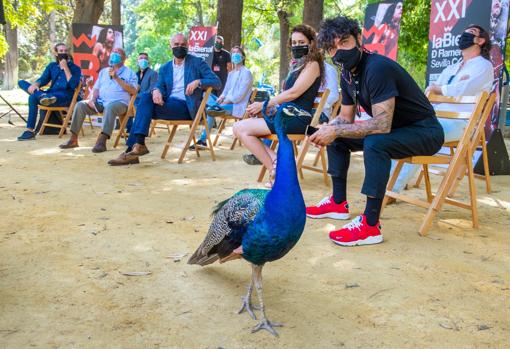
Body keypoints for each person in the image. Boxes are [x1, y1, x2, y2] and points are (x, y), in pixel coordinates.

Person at [305, 16, 444, 246]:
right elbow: (346, 118)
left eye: (345, 42)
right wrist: (328, 128)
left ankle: (370, 225)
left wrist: (337, 130)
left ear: (359, 39)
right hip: (398, 131)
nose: (339, 51)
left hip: (425, 131)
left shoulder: (377, 68)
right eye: (332, 47)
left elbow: (381, 125)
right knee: (338, 139)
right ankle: (338, 203)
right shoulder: (348, 74)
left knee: (375, 142)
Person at [389, 25, 494, 194]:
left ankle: (392, 188)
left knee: (420, 135)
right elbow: (432, 90)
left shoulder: (483, 66)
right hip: (436, 118)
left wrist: (441, 89)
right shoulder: (452, 67)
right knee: (400, 128)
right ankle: (389, 182)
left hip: (460, 123)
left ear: (481, 40)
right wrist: (442, 89)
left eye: (471, 33)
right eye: (464, 31)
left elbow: (461, 89)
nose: (464, 35)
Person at [107, 33, 221, 166]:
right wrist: (156, 91)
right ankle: (137, 146)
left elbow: (216, 82)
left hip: (186, 107)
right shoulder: (165, 68)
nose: (180, 47)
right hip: (168, 105)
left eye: (183, 45)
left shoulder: (197, 63)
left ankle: (132, 149)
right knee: (145, 98)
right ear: (171, 46)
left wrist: (198, 82)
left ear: (188, 46)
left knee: (144, 105)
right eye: (177, 45)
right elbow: (159, 85)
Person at [233, 24, 324, 187]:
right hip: (285, 115)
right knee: (239, 128)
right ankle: (277, 166)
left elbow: (293, 93)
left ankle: (276, 170)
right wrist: (269, 109)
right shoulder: (297, 65)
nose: (297, 46)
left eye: (301, 42)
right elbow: (286, 98)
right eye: (294, 43)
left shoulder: (313, 65)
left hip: (298, 119)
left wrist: (265, 104)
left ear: (311, 43)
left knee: (240, 128)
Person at [59, 48, 138, 152]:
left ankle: (102, 140)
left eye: (118, 53)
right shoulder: (104, 71)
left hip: (120, 104)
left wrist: (116, 78)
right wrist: (92, 99)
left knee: (110, 107)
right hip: (101, 102)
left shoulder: (130, 73)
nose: (115, 54)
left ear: (124, 58)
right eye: (114, 52)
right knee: (80, 105)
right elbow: (96, 88)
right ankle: (73, 139)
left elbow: (133, 91)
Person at [191, 45, 253, 149]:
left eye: (237, 52)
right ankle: (213, 107)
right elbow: (226, 90)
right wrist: (221, 97)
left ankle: (203, 140)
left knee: (211, 110)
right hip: (225, 102)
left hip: (236, 106)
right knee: (204, 95)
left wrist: (226, 101)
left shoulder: (246, 73)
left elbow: (239, 96)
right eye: (233, 53)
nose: (235, 55)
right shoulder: (231, 73)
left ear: (243, 57)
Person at [17, 43, 81, 141]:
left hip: (65, 96)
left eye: (65, 51)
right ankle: (29, 131)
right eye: (61, 51)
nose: (63, 53)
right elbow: (43, 79)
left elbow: (73, 85)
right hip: (50, 95)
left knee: (33, 97)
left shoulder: (75, 68)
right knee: (22, 83)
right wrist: (36, 84)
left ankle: (41, 97)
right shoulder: (52, 66)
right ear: (56, 53)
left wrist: (66, 68)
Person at [125, 52, 159, 133]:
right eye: (141, 58)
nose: (143, 60)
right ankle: (129, 128)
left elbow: (152, 89)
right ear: (137, 62)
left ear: (148, 62)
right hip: (134, 100)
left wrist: (137, 96)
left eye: (145, 58)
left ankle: (134, 129)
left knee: (132, 104)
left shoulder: (153, 73)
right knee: (125, 102)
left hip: (146, 100)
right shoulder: (135, 75)